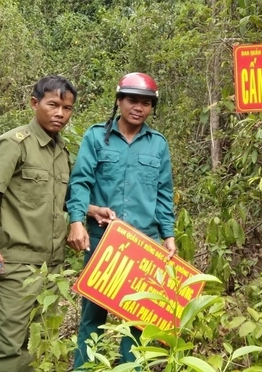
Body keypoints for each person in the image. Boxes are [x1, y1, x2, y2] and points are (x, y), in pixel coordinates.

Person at [66, 72, 177, 369]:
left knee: (140, 319)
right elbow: (80, 183)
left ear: (152, 107)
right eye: (132, 100)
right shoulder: (95, 137)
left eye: (145, 103)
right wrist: (77, 220)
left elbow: (164, 193)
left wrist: (169, 236)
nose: (138, 107)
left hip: (146, 243)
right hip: (103, 241)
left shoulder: (158, 145)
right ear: (119, 101)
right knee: (93, 315)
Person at [0, 75, 77, 371]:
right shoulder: (14, 143)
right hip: (18, 264)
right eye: (53, 105)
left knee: (39, 347)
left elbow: (63, 200)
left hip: (52, 267)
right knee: (8, 350)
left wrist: (93, 211)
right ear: (34, 103)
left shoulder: (62, 152)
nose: (60, 113)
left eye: (68, 108)